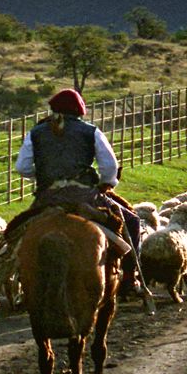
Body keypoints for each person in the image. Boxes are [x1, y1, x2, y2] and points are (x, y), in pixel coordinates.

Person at [13, 88, 144, 289]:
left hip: (48, 197)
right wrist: (106, 183)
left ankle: (17, 276)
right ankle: (129, 277)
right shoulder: (91, 131)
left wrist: (42, 176)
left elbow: (22, 167)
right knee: (132, 222)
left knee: (15, 232)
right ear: (80, 110)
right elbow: (109, 167)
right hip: (85, 196)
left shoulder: (36, 132)